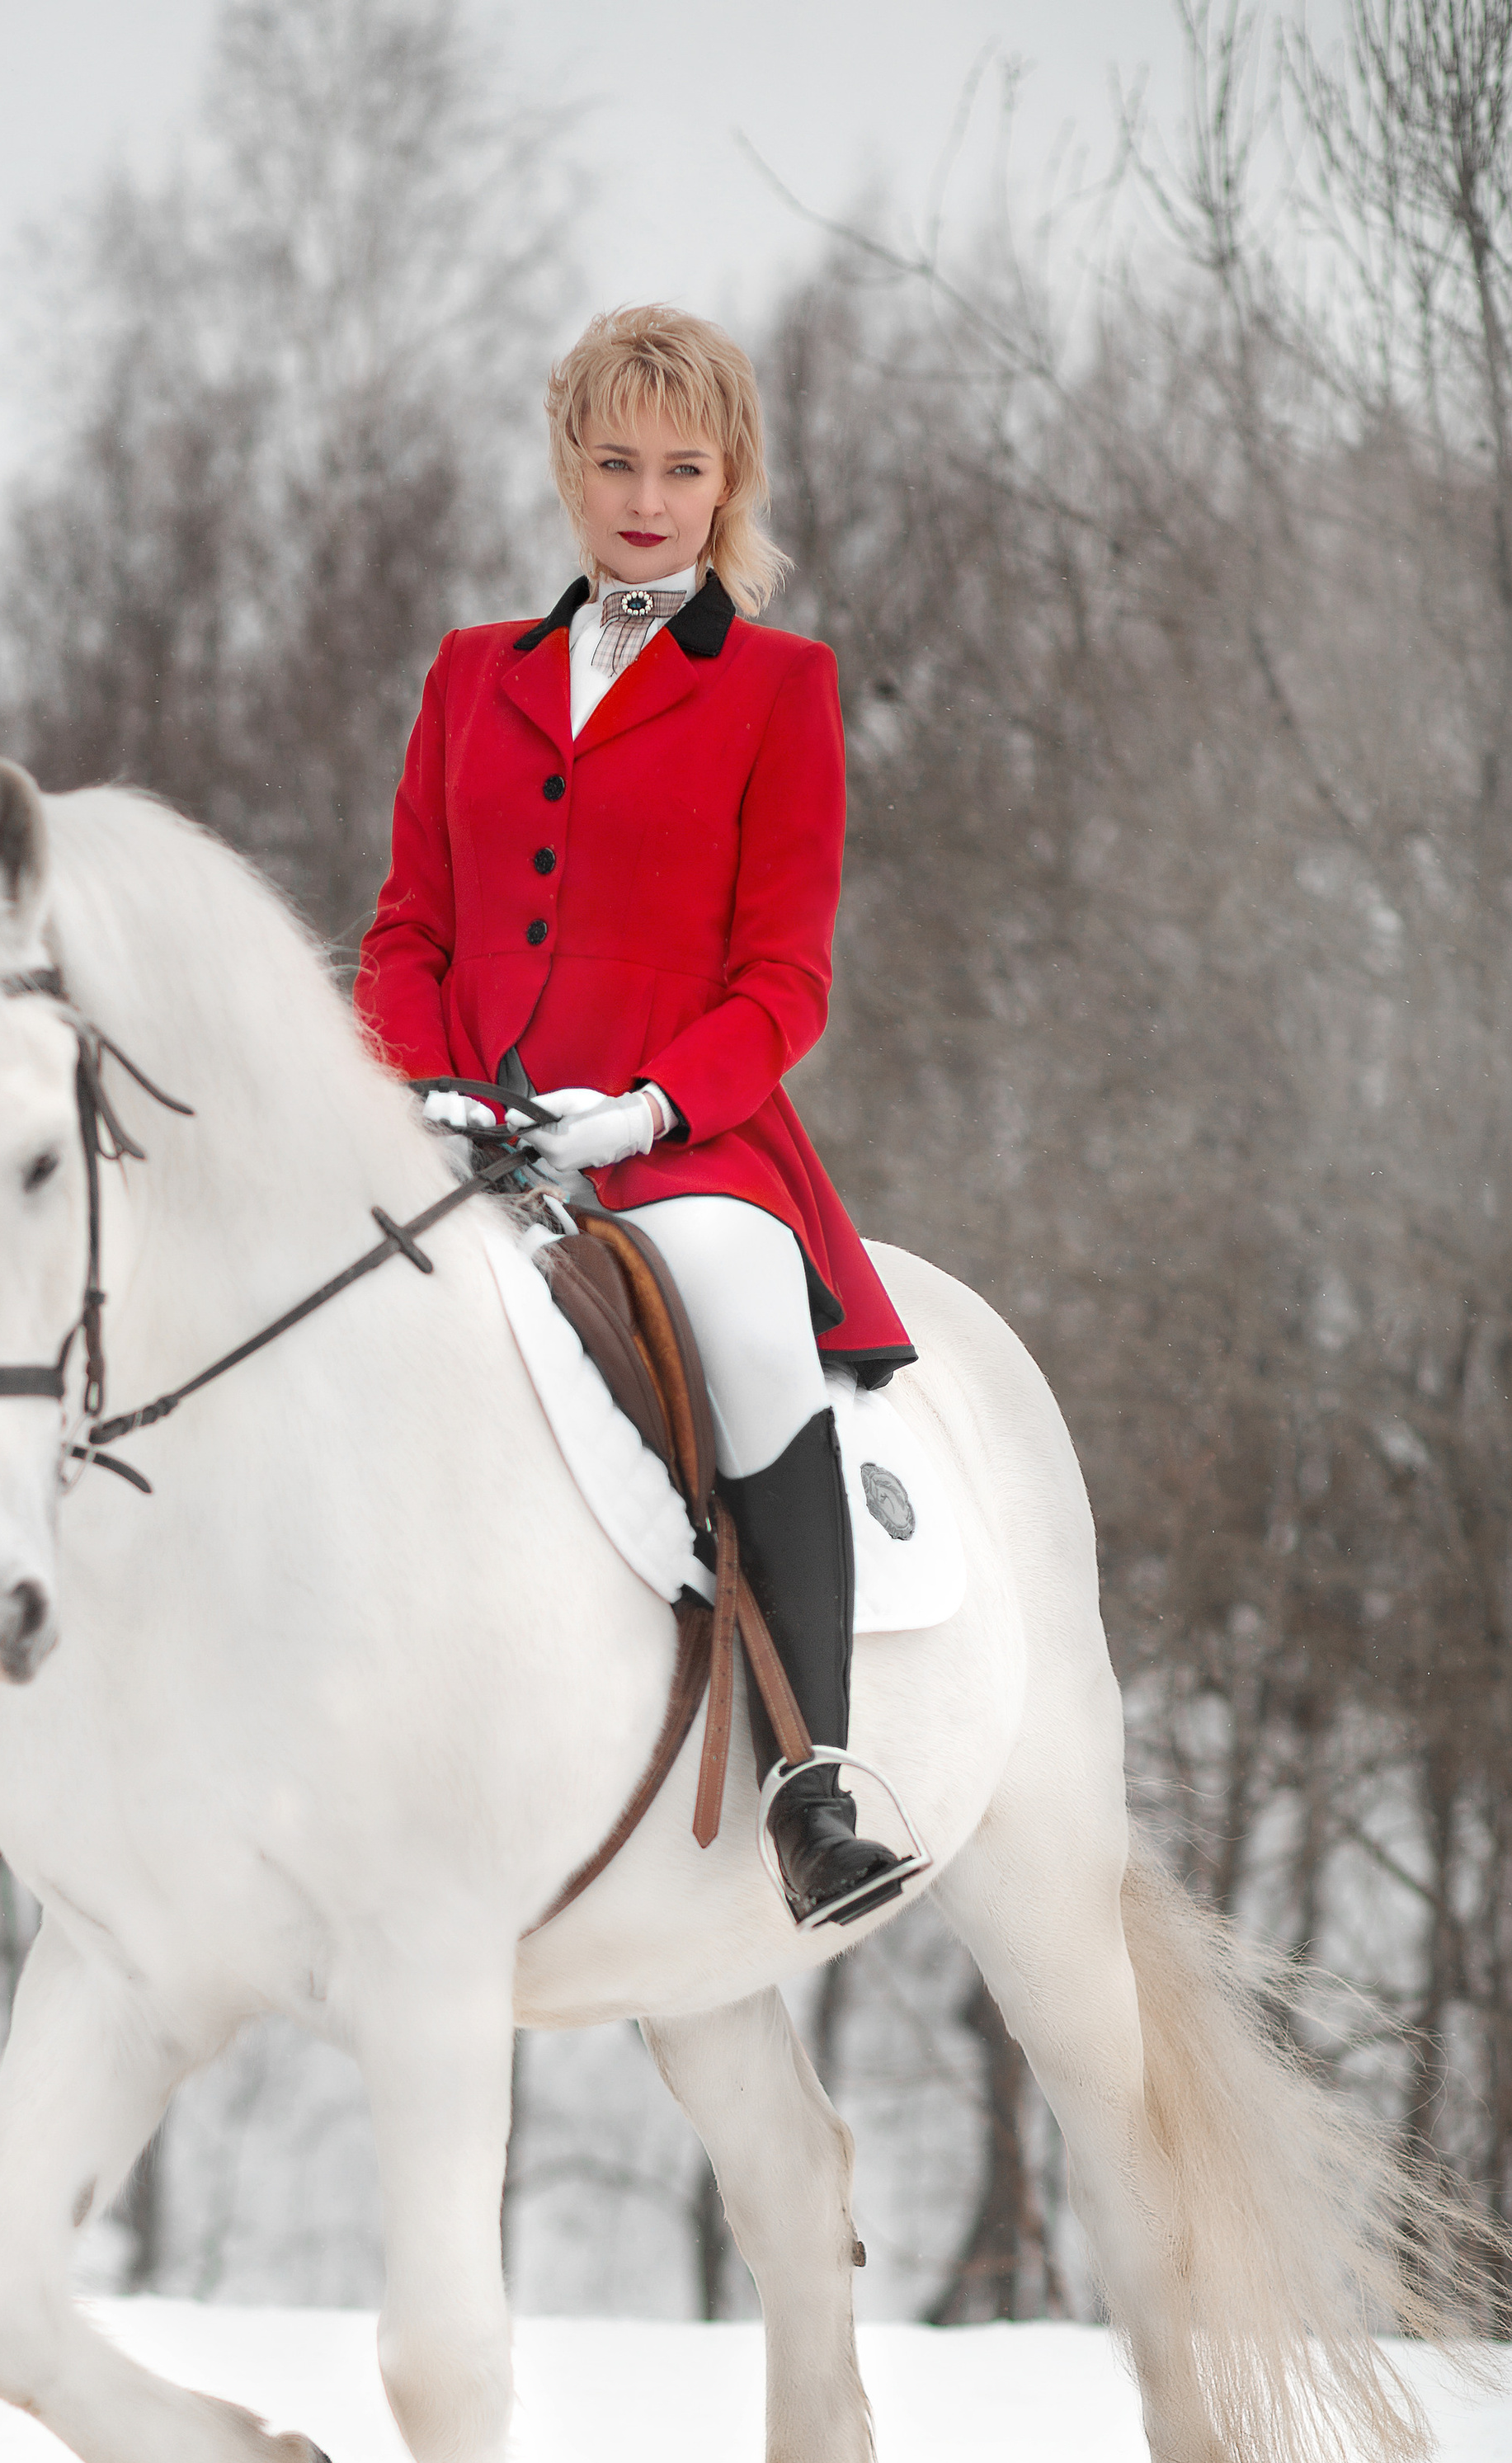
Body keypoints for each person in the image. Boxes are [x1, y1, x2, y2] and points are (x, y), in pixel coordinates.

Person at [356, 302, 917, 1932]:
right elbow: (406, 930)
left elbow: (783, 980)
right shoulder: (473, 675)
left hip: (676, 1144)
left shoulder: (776, 688)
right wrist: (417, 1085)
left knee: (741, 1326)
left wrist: (645, 1109)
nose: (644, 497)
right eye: (612, 462)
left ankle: (812, 1781)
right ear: (565, 465)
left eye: (679, 467)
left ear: (727, 474)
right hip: (453, 1132)